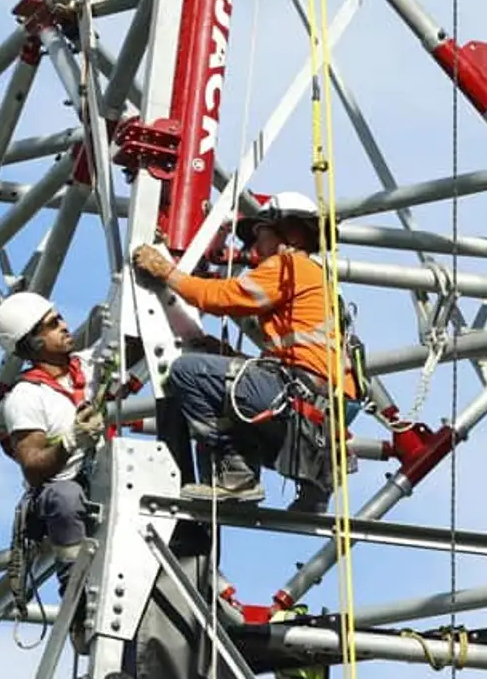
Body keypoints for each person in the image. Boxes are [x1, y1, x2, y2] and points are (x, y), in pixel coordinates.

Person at [131, 191, 355, 512]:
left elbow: (221, 296)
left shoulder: (290, 265)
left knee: (186, 371)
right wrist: (228, 356)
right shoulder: (322, 281)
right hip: (319, 413)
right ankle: (314, 487)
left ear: (290, 232)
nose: (254, 248)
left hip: (296, 401)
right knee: (222, 381)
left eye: (260, 235)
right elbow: (302, 359)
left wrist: (166, 271)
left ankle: (237, 474)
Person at [0, 291, 105, 585]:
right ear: (34, 343)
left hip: (102, 479)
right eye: (53, 324)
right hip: (61, 495)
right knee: (65, 496)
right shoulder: (27, 397)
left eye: (59, 318)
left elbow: (134, 347)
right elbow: (34, 467)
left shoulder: (88, 367)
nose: (64, 325)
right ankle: (77, 586)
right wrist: (71, 441)